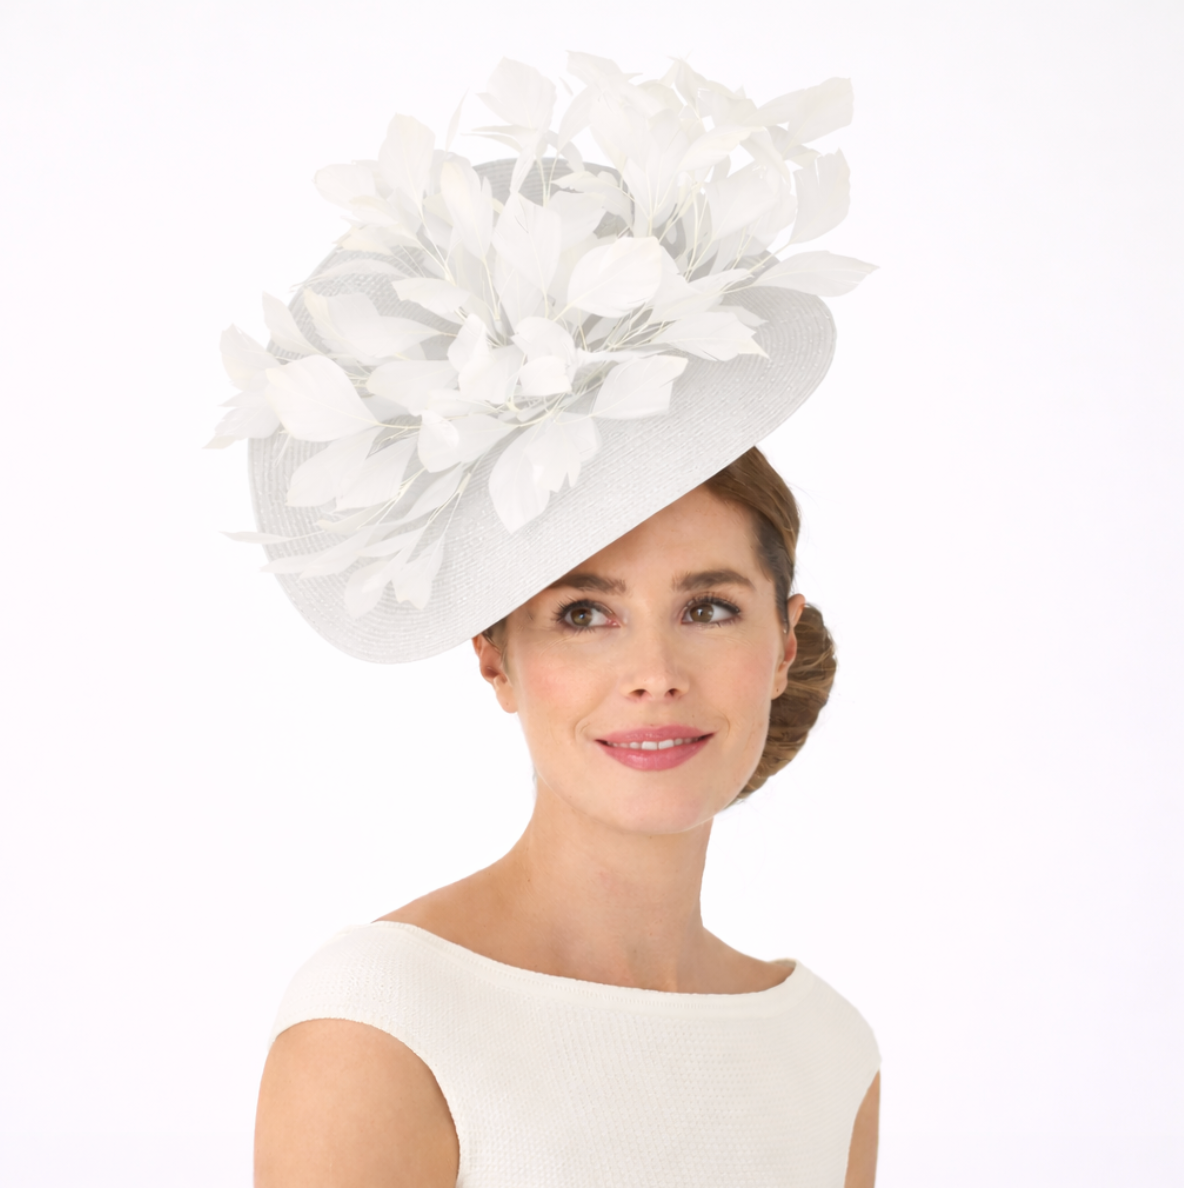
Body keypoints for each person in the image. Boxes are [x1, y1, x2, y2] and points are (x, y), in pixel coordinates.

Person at [213, 54, 880, 1188]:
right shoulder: (382, 1025)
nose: (654, 671)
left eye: (708, 607)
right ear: (494, 656)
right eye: (583, 614)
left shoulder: (827, 1049)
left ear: (781, 641)